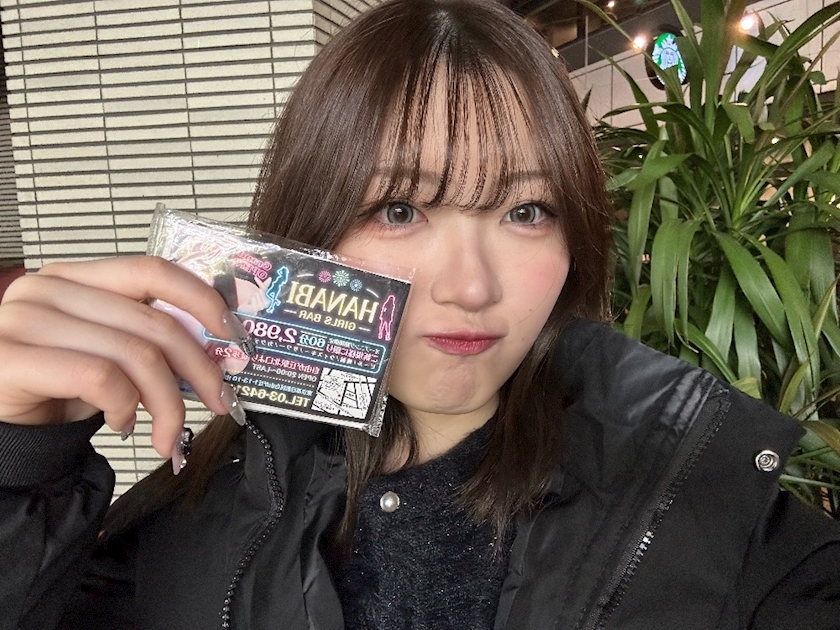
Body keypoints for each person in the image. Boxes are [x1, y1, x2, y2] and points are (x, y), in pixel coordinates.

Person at [0, 1, 838, 628]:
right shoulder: (190, 525)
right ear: (308, 233)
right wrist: (17, 464)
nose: (471, 287)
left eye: (526, 212)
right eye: (399, 210)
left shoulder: (710, 516)